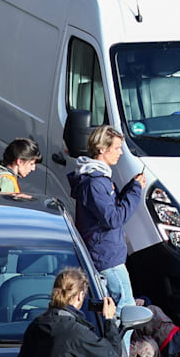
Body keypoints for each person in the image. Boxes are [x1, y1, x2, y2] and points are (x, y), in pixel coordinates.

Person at [69, 126, 145, 306]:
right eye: (117, 148)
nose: (120, 153)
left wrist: (130, 187)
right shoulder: (95, 182)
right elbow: (113, 219)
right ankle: (120, 336)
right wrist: (135, 191)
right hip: (107, 257)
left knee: (114, 306)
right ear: (102, 149)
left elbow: (110, 207)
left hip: (106, 254)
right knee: (125, 309)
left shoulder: (99, 178)